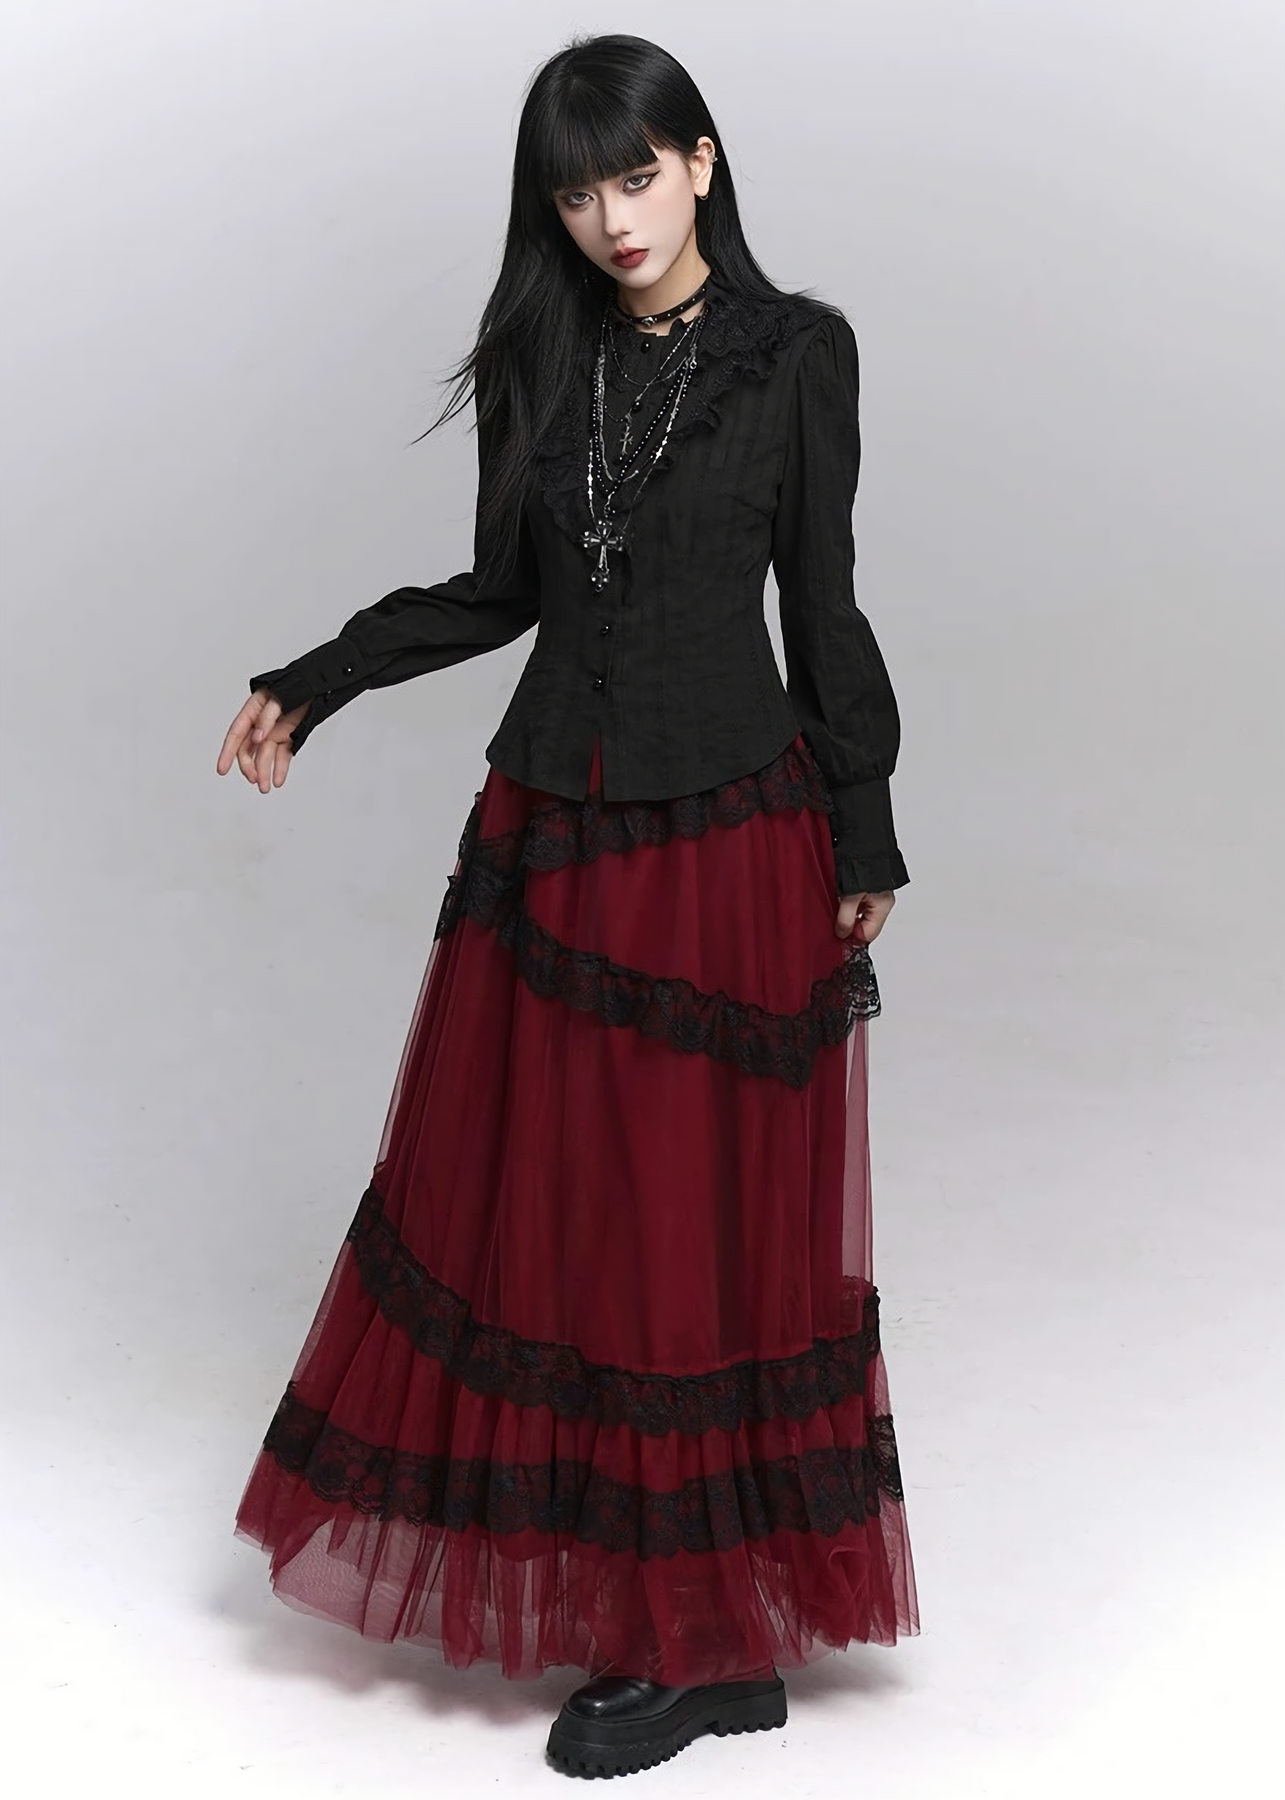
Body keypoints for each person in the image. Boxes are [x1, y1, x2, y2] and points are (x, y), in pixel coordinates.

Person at [217, 31, 920, 1781]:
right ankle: (691, 1630)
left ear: (700, 162)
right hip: (551, 839)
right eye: (577, 192)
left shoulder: (797, 354)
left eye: (636, 175)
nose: (612, 218)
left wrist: (865, 830)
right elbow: (496, 593)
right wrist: (318, 676)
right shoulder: (544, 355)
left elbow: (825, 604)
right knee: (584, 1218)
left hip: (726, 839)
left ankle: (700, 1637)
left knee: (692, 1228)